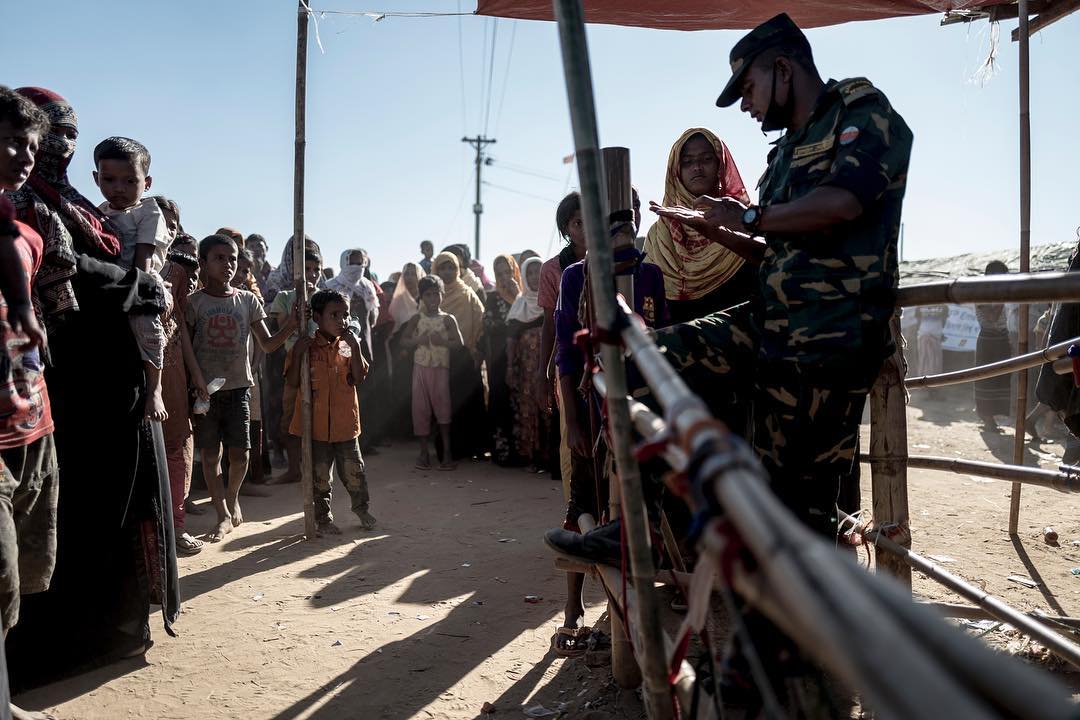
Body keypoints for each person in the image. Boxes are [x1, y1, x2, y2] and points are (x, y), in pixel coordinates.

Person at [630, 13, 911, 703]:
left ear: (784, 67)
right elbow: (772, 248)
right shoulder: (782, 155)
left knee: (793, 516)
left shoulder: (861, 108)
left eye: (749, 87)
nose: (747, 105)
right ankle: (653, 530)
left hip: (829, 338)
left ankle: (788, 679)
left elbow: (843, 203)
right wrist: (719, 228)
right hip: (770, 325)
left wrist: (748, 218)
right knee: (637, 363)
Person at [8, 86, 178, 686]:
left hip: (116, 386)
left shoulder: (74, 201)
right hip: (70, 386)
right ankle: (60, 647)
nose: (57, 149)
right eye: (50, 136)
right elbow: (75, 275)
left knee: (118, 509)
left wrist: (139, 287)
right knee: (74, 515)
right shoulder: (26, 204)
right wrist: (136, 285)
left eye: (63, 137)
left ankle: (114, 631)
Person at [0, 85, 57, 720]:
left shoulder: (28, 235)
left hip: (32, 419)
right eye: (12, 139)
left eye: (31, 145)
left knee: (18, 582)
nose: (24, 154)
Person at [186, 234, 297, 542]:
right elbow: (186, 348)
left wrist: (291, 324)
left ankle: (232, 496)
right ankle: (222, 513)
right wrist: (194, 384)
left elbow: (268, 343)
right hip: (206, 393)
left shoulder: (248, 300)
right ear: (204, 263)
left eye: (232, 258)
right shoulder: (194, 303)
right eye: (219, 258)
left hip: (239, 389)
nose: (228, 264)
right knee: (210, 455)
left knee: (241, 454)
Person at [92, 136, 171, 422]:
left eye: (129, 181)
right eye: (109, 179)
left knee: (146, 326)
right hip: (114, 284)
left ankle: (155, 388)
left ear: (146, 183)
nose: (118, 188)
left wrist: (128, 290)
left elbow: (144, 261)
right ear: (95, 178)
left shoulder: (148, 212)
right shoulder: (98, 212)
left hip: (141, 284)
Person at [285, 289, 376, 533]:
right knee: (320, 477)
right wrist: (298, 354)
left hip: (345, 424)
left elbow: (358, 377)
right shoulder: (307, 346)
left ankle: (362, 508)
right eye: (334, 315)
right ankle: (323, 518)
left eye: (345, 315)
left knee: (354, 471)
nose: (342, 321)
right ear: (316, 317)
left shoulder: (346, 345)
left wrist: (355, 347)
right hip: (315, 426)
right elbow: (293, 382)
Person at [643, 128, 755, 323]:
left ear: (720, 164)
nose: (697, 167)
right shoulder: (658, 238)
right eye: (687, 162)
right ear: (675, 171)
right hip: (677, 347)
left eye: (706, 159)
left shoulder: (744, 220)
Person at [159, 246, 205, 555]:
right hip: (156, 395)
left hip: (174, 393)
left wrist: (198, 380)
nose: (187, 286)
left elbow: (184, 344)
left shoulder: (176, 311)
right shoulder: (154, 307)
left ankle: (176, 528)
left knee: (177, 458)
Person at [540, 192, 586, 490]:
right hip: (569, 361)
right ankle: (576, 513)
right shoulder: (553, 269)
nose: (585, 228)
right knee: (573, 433)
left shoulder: (616, 257)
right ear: (566, 228)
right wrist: (542, 375)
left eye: (590, 220)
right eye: (577, 222)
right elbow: (549, 325)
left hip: (609, 357)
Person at [267, 242, 322, 484]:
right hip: (293, 364)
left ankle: (319, 472)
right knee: (290, 419)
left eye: (315, 270)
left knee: (320, 420)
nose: (311, 275)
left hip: (320, 365)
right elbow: (281, 330)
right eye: (306, 269)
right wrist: (297, 313)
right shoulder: (284, 297)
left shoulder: (325, 298)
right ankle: (294, 469)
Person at [400, 275, 462, 471]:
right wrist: (418, 341)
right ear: (422, 297)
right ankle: (423, 453)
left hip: (440, 369)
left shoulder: (448, 319)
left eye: (436, 294)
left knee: (443, 407)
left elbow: (459, 343)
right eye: (428, 294)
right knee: (420, 408)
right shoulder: (417, 318)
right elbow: (403, 340)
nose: (433, 298)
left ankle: (447, 454)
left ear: (442, 295)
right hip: (420, 368)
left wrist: (442, 342)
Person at [432, 251, 486, 460]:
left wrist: (475, 349)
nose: (447, 272)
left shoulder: (467, 293)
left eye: (451, 267)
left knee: (468, 402)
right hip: (439, 358)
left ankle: (471, 448)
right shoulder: (432, 295)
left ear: (458, 270)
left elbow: (480, 323)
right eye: (442, 268)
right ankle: (449, 449)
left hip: (464, 356)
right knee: (444, 404)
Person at [507, 257, 548, 471]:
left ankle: (549, 456)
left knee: (549, 406)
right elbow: (512, 339)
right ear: (523, 276)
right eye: (530, 273)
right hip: (526, 369)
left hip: (548, 365)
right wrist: (509, 367)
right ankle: (531, 456)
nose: (534, 277)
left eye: (538, 272)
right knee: (528, 406)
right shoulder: (520, 304)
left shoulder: (551, 300)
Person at [484, 254, 522, 465]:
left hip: (523, 356)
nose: (505, 277)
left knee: (520, 400)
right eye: (500, 274)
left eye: (508, 272)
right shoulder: (492, 297)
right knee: (501, 399)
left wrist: (518, 298)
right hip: (500, 359)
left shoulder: (525, 295)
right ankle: (503, 452)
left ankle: (523, 450)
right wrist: (510, 323)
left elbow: (532, 317)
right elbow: (488, 324)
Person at [388, 262, 426, 437]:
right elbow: (392, 330)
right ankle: (404, 431)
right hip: (402, 353)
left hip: (424, 352)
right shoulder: (398, 299)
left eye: (413, 273)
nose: (410, 277)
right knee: (404, 389)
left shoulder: (426, 300)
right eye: (407, 273)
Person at [974, 261, 1012, 432]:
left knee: (1000, 378)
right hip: (988, 340)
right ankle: (987, 418)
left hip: (1001, 338)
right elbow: (992, 318)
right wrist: (1001, 301)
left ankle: (991, 418)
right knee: (987, 379)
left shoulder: (997, 292)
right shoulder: (980, 292)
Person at [914, 305, 946, 377]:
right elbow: (917, 320)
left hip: (936, 335)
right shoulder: (919, 305)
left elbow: (944, 319)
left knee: (935, 359)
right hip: (923, 334)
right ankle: (921, 380)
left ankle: (935, 380)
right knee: (923, 358)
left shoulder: (943, 305)